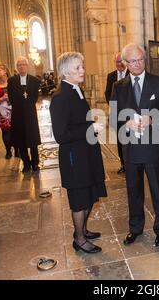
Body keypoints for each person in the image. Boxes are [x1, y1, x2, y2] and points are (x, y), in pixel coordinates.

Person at [111, 43, 159, 247]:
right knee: (133, 191)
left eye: (140, 59)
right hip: (131, 149)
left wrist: (152, 120)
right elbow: (113, 116)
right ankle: (135, 228)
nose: (138, 64)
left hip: (154, 148)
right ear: (125, 64)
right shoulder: (119, 87)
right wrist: (125, 122)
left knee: (158, 191)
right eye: (133, 61)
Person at [50, 52, 107, 254]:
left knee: (89, 193)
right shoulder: (60, 97)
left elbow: (78, 121)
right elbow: (61, 134)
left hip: (86, 152)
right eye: (77, 68)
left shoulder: (76, 90)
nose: (82, 70)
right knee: (79, 199)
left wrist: (91, 124)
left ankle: (82, 229)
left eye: (82, 66)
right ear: (66, 72)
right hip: (75, 157)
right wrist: (91, 128)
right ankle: (80, 240)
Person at [7, 56, 41, 173]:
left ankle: (35, 163)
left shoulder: (34, 80)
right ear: (17, 67)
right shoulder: (12, 81)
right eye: (19, 65)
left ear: (27, 66)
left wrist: (27, 105)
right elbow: (11, 97)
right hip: (17, 114)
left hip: (31, 114)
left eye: (23, 64)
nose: (21, 66)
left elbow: (35, 97)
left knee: (33, 140)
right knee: (21, 140)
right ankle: (26, 163)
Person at [105, 52, 129, 174]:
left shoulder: (131, 74)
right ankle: (123, 164)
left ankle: (132, 162)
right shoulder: (111, 76)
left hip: (130, 114)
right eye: (116, 62)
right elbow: (107, 93)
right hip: (117, 114)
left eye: (120, 61)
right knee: (120, 140)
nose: (119, 64)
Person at [0, 64, 18, 159]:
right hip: (2, 110)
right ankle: (8, 151)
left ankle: (17, 150)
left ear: (5, 71)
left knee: (15, 130)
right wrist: (1, 98)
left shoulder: (13, 81)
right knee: (5, 131)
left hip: (14, 108)